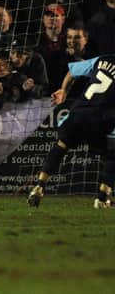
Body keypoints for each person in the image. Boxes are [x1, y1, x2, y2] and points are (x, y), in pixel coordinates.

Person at [27, 54, 115, 209]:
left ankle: (39, 186)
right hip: (101, 118)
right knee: (111, 155)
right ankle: (102, 198)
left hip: (78, 112)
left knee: (61, 146)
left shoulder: (103, 59)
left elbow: (72, 71)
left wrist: (64, 91)